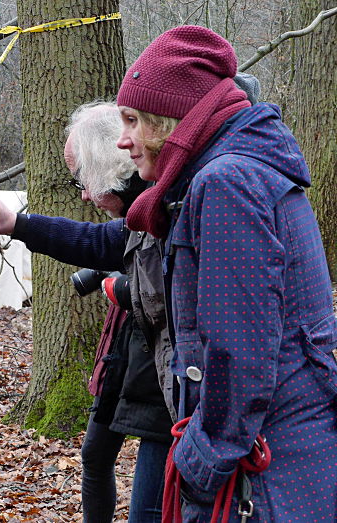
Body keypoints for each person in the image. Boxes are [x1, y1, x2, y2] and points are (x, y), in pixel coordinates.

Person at [114, 25, 337, 522]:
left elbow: (241, 353)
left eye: (132, 120)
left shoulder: (227, 181)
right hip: (295, 455)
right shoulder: (242, 166)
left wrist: (200, 461)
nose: (123, 140)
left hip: (272, 476)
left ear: (168, 119)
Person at [0, 101, 173, 523]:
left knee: (149, 509)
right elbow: (97, 240)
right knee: (95, 455)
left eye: (82, 177)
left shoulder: (165, 205)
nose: (81, 193)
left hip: (168, 380)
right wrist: (17, 224)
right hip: (130, 359)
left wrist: (129, 290)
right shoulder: (141, 211)